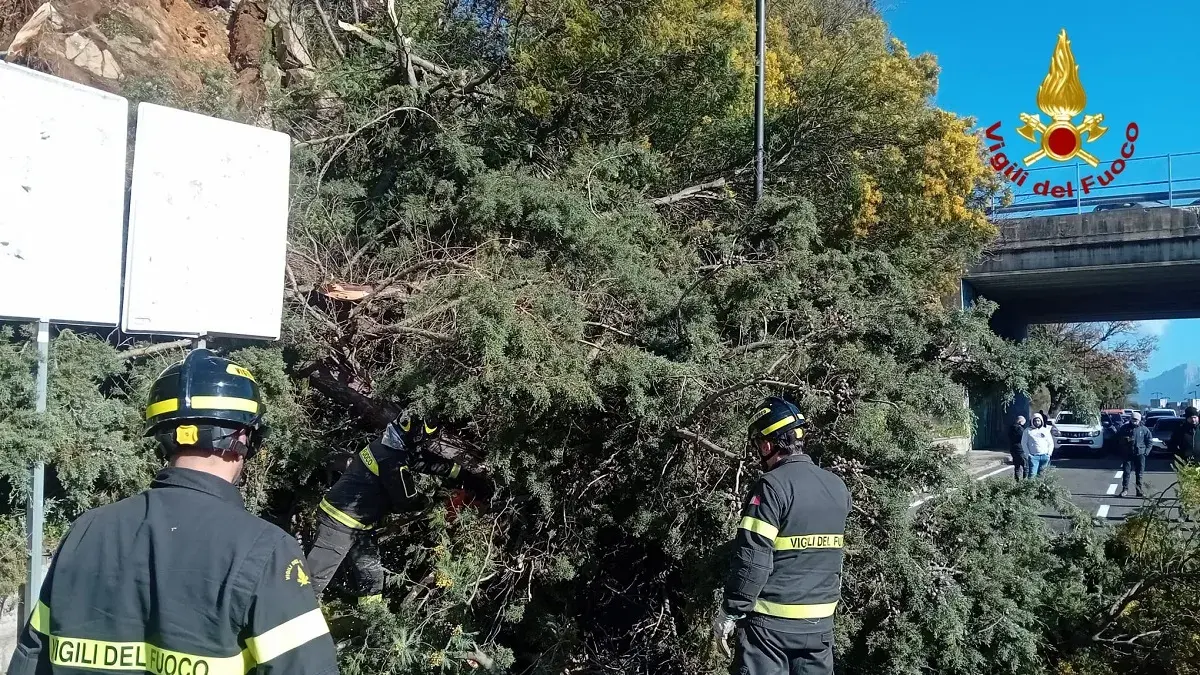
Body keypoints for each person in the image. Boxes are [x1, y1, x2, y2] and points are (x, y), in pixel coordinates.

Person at [7, 349, 339, 675]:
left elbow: (32, 658)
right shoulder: (265, 550)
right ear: (242, 435)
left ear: (165, 436)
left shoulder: (85, 531)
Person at [712, 397, 850, 675]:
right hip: (820, 629)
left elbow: (752, 560)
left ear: (767, 445)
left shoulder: (771, 487)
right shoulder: (837, 486)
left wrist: (731, 611)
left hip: (769, 633)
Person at [306, 409, 483, 602]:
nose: (424, 444)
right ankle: (286, 616)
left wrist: (460, 473)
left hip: (359, 527)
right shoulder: (393, 463)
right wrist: (433, 500)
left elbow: (422, 462)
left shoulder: (388, 445)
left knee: (372, 580)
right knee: (312, 580)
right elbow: (406, 501)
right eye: (424, 438)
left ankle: (372, 618)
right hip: (338, 524)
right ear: (415, 435)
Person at [1117, 411, 1152, 498]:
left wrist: (1146, 452)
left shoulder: (1144, 429)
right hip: (1127, 454)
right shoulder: (1124, 428)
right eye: (1132, 419)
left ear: (1139, 420)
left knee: (1139, 473)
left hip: (1140, 454)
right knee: (1126, 472)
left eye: (1136, 419)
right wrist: (1124, 441)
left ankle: (1139, 491)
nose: (1134, 421)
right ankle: (1125, 490)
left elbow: (1149, 441)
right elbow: (1117, 439)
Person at [1022, 412, 1055, 477]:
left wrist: (1049, 454)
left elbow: (1050, 443)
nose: (1037, 422)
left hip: (1044, 456)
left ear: (1041, 421)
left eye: (1038, 421)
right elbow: (1024, 443)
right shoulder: (1028, 431)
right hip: (1033, 457)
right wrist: (1028, 454)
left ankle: (1040, 487)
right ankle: (1031, 487)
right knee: (1032, 475)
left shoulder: (1045, 431)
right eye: (1035, 421)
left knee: (1042, 475)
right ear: (1032, 421)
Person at [1009, 415, 1028, 481]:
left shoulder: (1011, 428)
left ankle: (1017, 481)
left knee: (1017, 467)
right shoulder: (1020, 429)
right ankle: (1024, 482)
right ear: (1020, 422)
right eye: (1023, 423)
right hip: (1020, 449)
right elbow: (1024, 438)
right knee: (1026, 466)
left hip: (1013, 449)